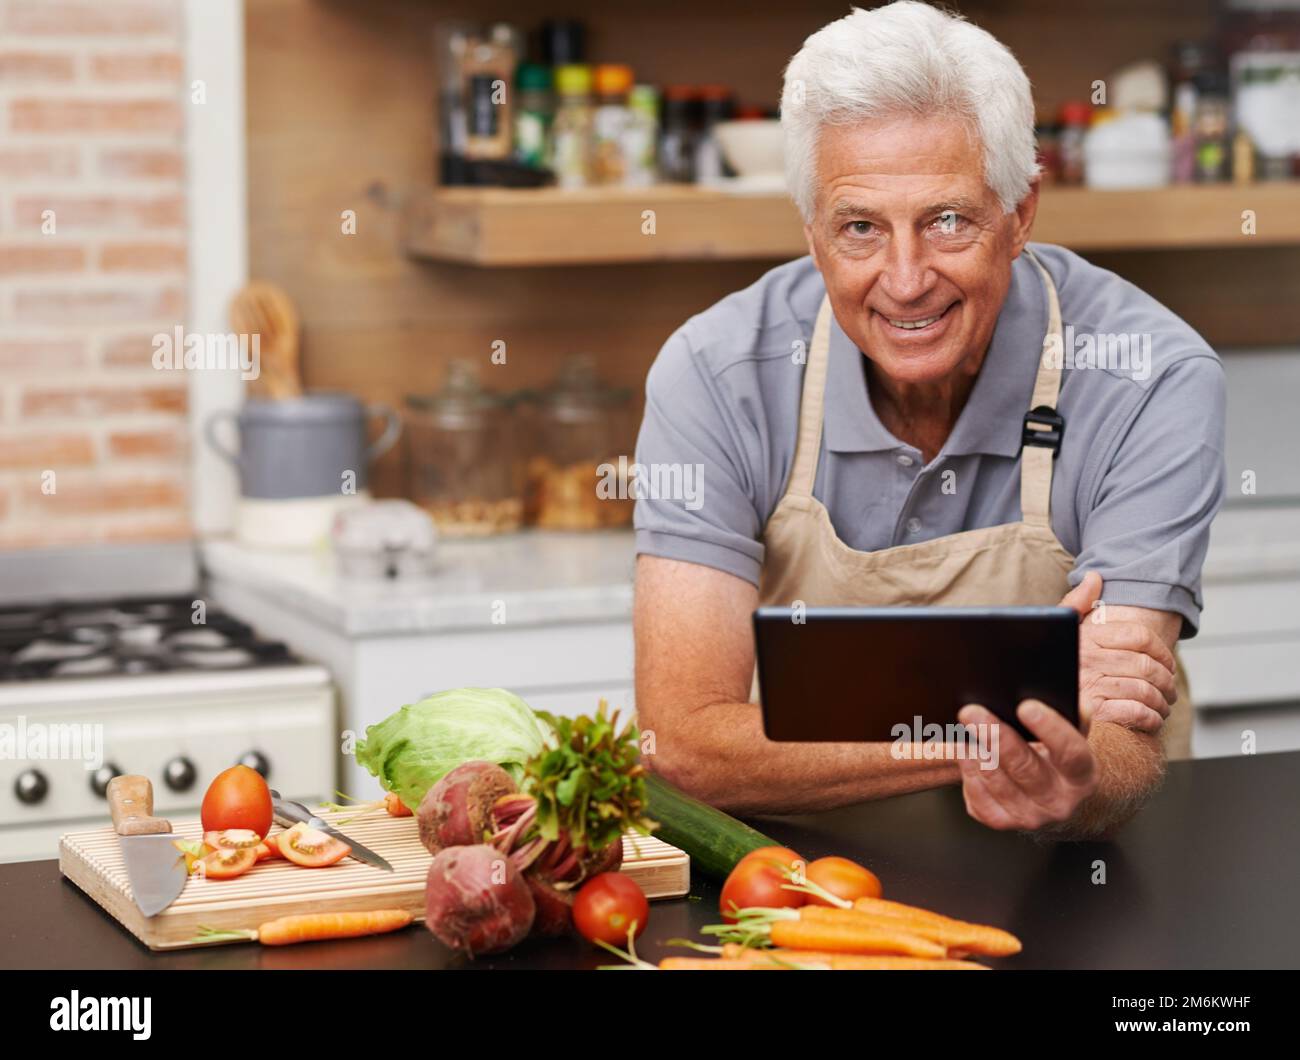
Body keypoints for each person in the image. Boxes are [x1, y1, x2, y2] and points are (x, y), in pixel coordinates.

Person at [632, 2, 1226, 838]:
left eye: (948, 221)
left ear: (1020, 212)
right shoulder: (716, 372)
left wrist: (1066, 755)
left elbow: (1119, 745)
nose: (906, 280)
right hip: (811, 882)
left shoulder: (1149, 377)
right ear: (812, 235)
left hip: (1073, 870)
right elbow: (685, 747)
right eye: (860, 228)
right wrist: (1008, 715)